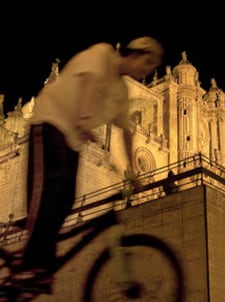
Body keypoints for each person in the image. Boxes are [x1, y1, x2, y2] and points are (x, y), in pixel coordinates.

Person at [13, 36, 164, 287]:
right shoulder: (102, 54)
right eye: (146, 63)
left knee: (67, 199)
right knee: (50, 189)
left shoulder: (121, 90)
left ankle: (40, 262)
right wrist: (84, 117)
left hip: (73, 139)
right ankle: (28, 263)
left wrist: (134, 172)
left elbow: (126, 130)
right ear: (135, 54)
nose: (146, 72)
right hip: (49, 122)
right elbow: (89, 81)